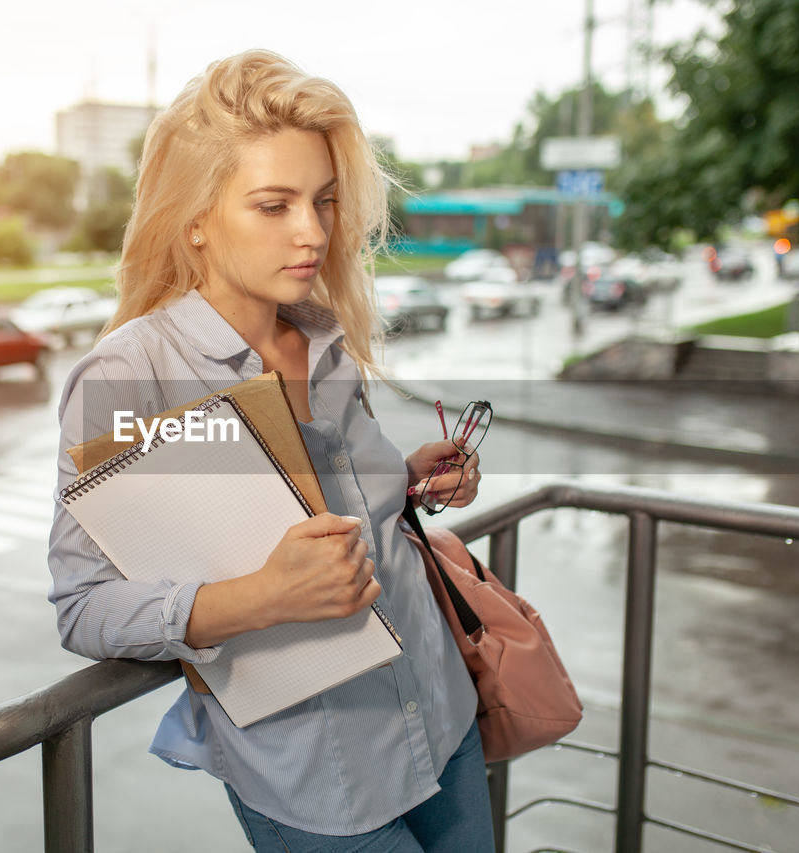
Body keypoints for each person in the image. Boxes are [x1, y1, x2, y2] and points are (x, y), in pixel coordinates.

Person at [47, 50, 492, 852]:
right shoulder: (130, 372)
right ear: (194, 220)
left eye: (323, 201)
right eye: (274, 205)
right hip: (320, 779)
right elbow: (82, 606)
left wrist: (407, 477)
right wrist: (263, 595)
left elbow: (346, 506)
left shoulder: (322, 337)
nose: (314, 231)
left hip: (440, 713)